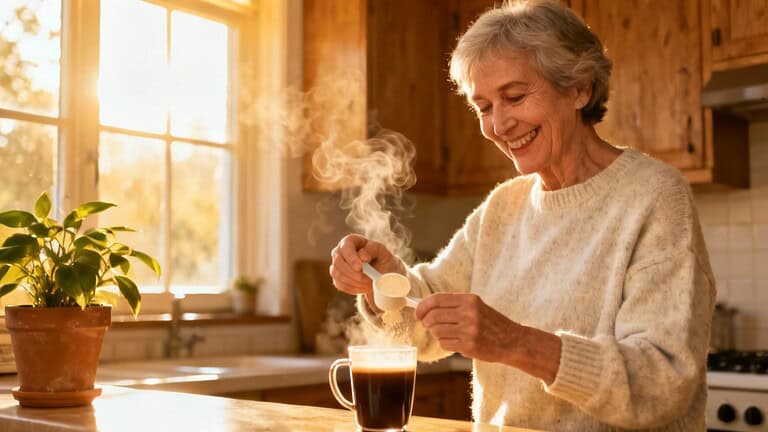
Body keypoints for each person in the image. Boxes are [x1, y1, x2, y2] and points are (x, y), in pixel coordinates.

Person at [328, 0, 715, 430]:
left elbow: (661, 385)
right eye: (483, 107)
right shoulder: (503, 207)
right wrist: (384, 281)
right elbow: (424, 326)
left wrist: (516, 343)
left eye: (514, 97)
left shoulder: (654, 196)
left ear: (580, 89)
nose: (498, 124)